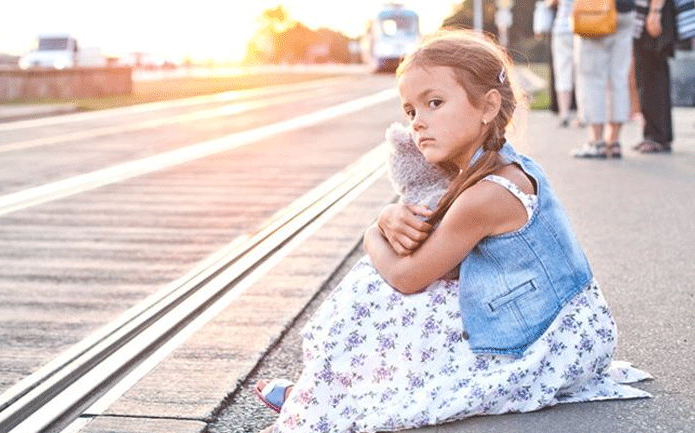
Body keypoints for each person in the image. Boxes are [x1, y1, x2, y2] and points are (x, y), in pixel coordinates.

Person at [254, 30, 650, 433]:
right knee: (400, 300)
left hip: (553, 338)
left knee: (375, 289)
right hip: (540, 317)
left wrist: (372, 231)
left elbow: (408, 276)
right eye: (410, 111)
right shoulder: (487, 168)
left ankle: (329, 397)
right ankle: (328, 390)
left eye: (435, 103)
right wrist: (392, 219)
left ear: (487, 107)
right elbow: (431, 253)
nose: (418, 122)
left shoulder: (488, 195)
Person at [572, 0, 637, 158]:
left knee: (592, 77)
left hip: (595, 10)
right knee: (619, 77)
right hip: (626, 11)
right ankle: (614, 141)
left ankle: (597, 141)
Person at [633, 0, 676, 153]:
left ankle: (657, 136)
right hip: (645, 16)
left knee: (652, 76)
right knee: (647, 76)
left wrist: (655, 11)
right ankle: (654, 133)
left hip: (653, 14)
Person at [549, 0, 579, 127]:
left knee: (562, 71)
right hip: (583, 25)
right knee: (581, 73)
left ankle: (564, 114)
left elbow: (550, 3)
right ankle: (582, 114)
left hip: (562, 28)